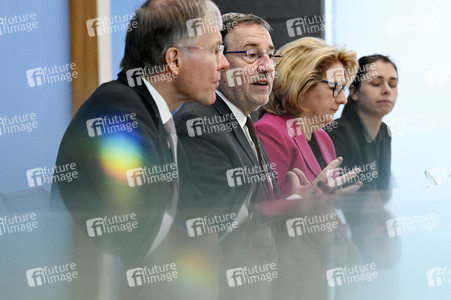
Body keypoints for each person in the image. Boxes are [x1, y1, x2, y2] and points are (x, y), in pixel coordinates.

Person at [51, 0, 228, 298]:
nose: (224, 63)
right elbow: (130, 238)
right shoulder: (116, 110)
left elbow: (194, 213)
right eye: (215, 50)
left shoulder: (155, 116)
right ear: (174, 60)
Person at [255, 37, 361, 197]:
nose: (343, 99)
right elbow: (265, 210)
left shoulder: (323, 137)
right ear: (302, 83)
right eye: (334, 87)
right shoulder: (270, 132)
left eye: (343, 88)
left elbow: (324, 198)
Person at [328, 54, 398, 192]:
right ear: (353, 92)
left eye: (393, 84)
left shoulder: (385, 131)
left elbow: (382, 189)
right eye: (376, 84)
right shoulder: (336, 133)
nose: (387, 90)